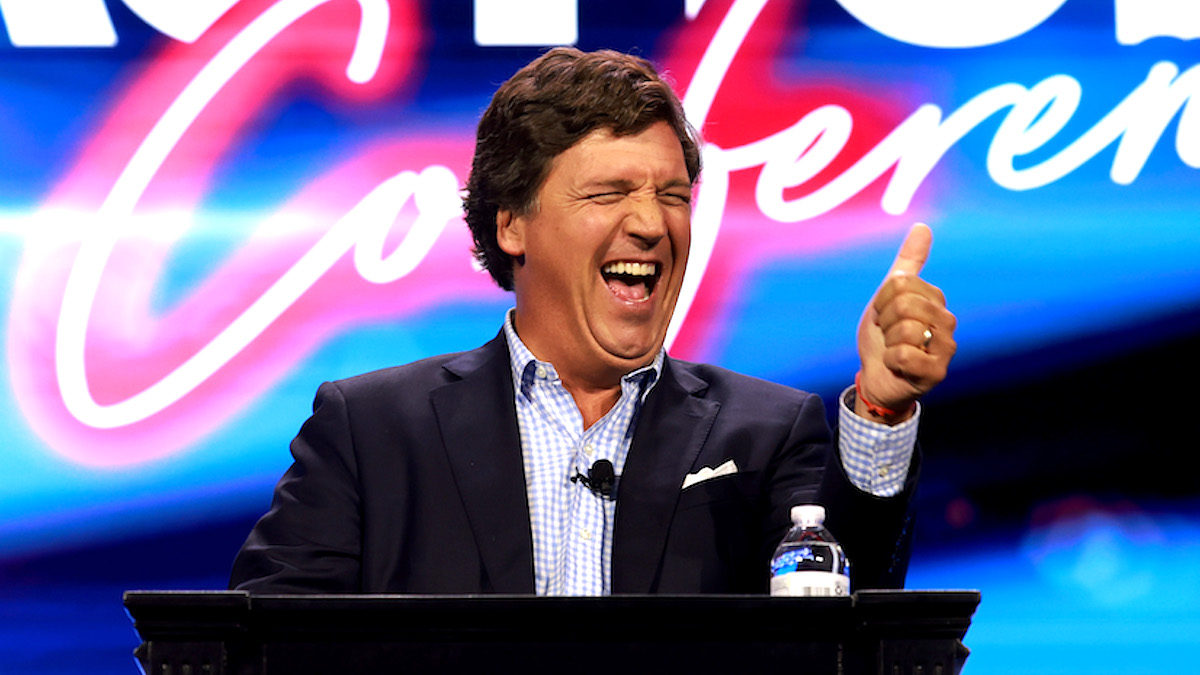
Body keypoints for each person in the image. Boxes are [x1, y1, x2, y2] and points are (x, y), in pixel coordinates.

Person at [229, 47, 957, 596]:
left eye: (672, 195)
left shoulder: (766, 433)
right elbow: (258, 645)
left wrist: (883, 405)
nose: (651, 224)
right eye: (609, 193)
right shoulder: (371, 430)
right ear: (513, 223)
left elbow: (849, 623)